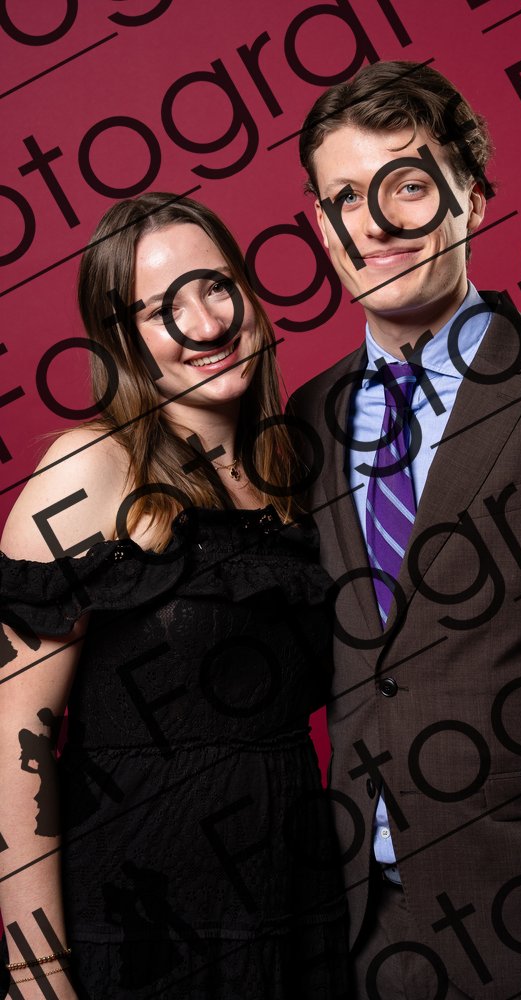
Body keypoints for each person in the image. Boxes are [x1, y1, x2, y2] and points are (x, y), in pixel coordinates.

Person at [289, 61, 521, 1000]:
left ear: (474, 201)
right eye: (345, 197)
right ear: (320, 227)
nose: (374, 224)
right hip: (359, 942)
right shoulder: (304, 422)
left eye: (408, 186)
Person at [0, 193, 349, 999]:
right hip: (141, 934)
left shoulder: (298, 477)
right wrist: (36, 973)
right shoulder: (87, 470)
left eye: (216, 286)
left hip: (300, 920)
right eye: (162, 310)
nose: (205, 323)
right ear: (121, 341)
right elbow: (16, 737)